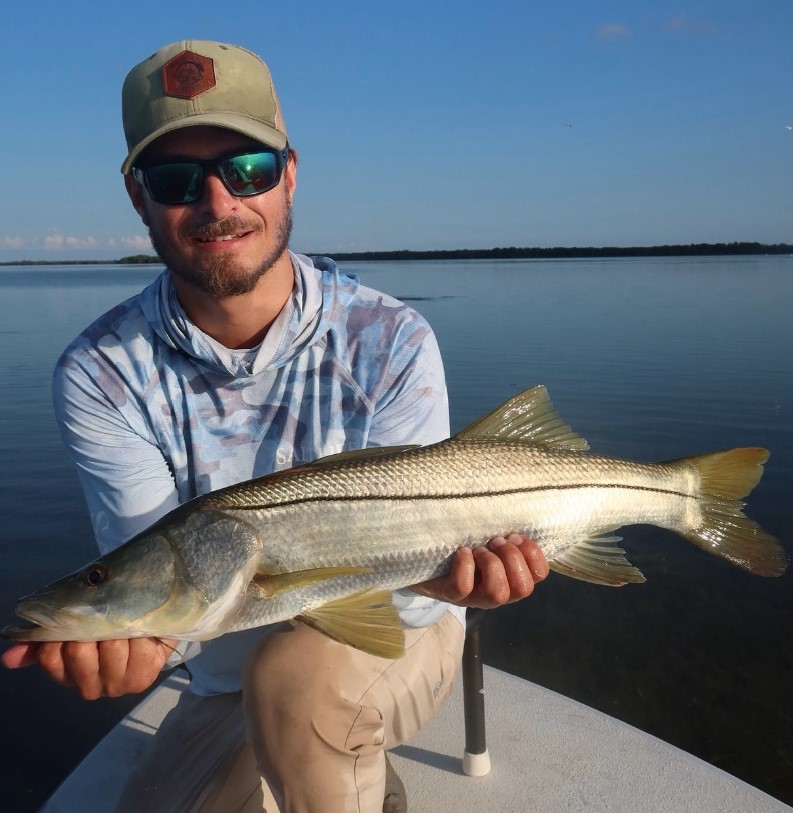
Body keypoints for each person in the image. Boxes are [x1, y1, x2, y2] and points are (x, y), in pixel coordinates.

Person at [1, 40, 548, 812]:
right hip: (222, 667)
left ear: (289, 173)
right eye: (176, 179)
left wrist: (460, 576)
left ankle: (334, 755)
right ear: (137, 197)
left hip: (400, 624)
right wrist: (138, 639)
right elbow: (168, 582)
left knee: (299, 686)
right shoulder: (100, 371)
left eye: (246, 169)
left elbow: (415, 594)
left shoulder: (390, 340)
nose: (218, 203)